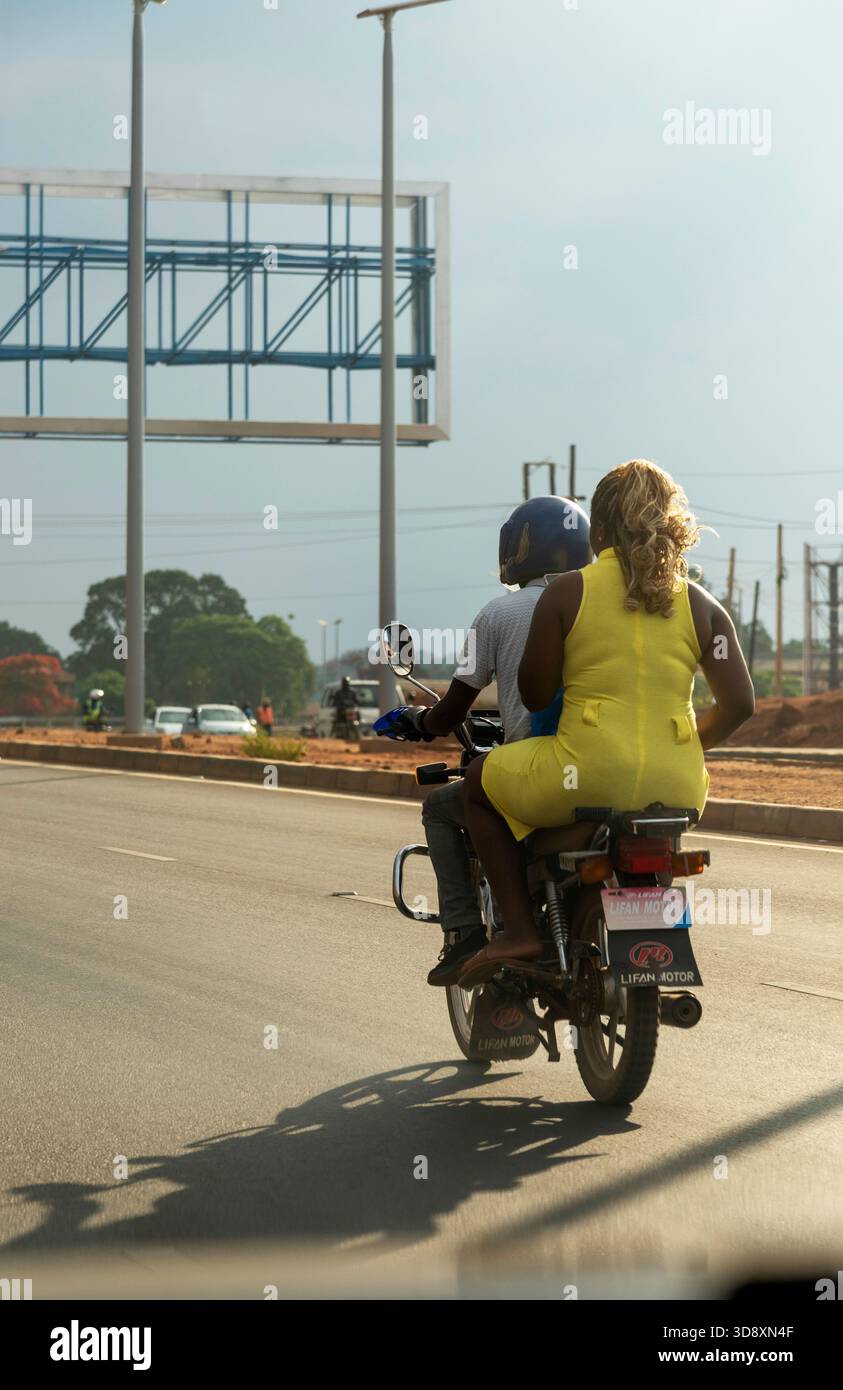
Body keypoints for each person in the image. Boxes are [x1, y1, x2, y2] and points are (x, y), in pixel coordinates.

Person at [461, 458, 756, 976]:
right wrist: (683, 745)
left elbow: (533, 696)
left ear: (596, 531)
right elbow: (740, 705)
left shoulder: (567, 592)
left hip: (583, 774)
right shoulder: (703, 605)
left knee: (476, 786)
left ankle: (521, 933)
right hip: (677, 784)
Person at [378, 495, 591, 986]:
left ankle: (465, 935)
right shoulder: (611, 604)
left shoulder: (499, 613)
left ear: (521, 548)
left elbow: (454, 708)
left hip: (539, 771)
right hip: (626, 773)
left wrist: (420, 720)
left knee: (447, 805)